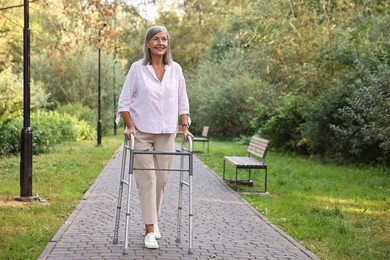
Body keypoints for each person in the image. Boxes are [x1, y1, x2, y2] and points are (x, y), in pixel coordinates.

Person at [116, 25, 193, 249]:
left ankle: (154, 220)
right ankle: (149, 230)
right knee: (147, 180)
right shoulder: (137, 69)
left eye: (165, 39)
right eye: (156, 39)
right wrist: (130, 126)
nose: (161, 43)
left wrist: (185, 126)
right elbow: (124, 102)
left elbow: (183, 101)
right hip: (141, 132)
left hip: (167, 132)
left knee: (162, 180)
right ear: (148, 43)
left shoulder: (175, 69)